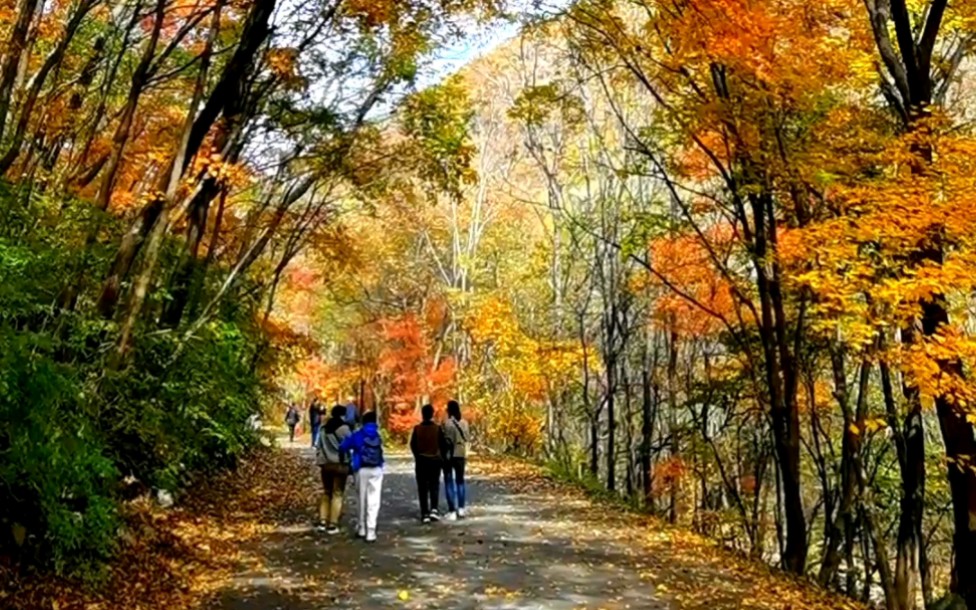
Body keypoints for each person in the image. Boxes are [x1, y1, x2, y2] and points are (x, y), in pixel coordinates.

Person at [340, 411, 385, 542]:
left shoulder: (358, 435)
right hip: (377, 469)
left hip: (361, 469)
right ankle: (371, 531)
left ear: (363, 422)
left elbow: (343, 447)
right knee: (374, 500)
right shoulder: (378, 435)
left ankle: (361, 528)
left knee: (361, 499)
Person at [314, 406, 351, 534]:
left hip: (326, 465)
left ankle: (322, 521)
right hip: (340, 465)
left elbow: (318, 446)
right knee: (337, 493)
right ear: (342, 415)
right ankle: (333, 524)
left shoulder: (323, 429)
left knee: (326, 492)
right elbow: (350, 445)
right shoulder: (344, 428)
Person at [410, 404, 447, 524]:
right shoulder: (438, 428)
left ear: (422, 414)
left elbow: (413, 445)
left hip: (421, 461)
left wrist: (417, 456)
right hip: (435, 461)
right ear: (432, 414)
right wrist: (441, 457)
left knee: (422, 487)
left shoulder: (417, 429)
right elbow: (443, 445)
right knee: (434, 484)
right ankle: (434, 509)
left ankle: (424, 512)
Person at [441, 400, 470, 520]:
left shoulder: (446, 424)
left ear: (449, 410)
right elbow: (467, 438)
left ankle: (452, 510)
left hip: (449, 456)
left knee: (449, 482)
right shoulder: (464, 423)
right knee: (460, 481)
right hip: (461, 454)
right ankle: (461, 508)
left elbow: (444, 441)